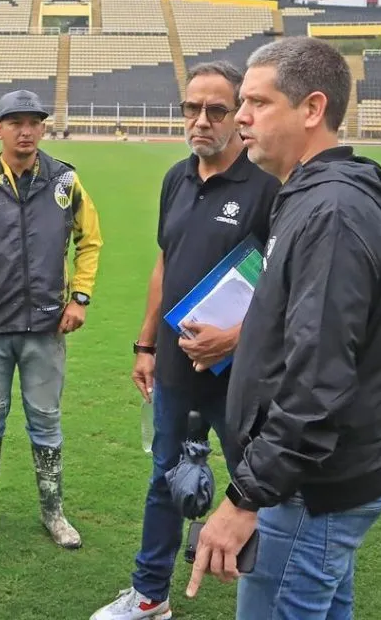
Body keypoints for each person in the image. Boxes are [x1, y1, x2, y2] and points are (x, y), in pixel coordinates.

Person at [185, 37, 381, 619]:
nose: (241, 116)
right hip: (314, 479)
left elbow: (317, 380)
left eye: (258, 102)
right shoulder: (309, 196)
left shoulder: (332, 212)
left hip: (308, 489)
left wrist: (246, 497)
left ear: (313, 108)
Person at [91, 62, 280, 620]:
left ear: (238, 115)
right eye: (192, 108)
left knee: (259, 484)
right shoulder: (176, 178)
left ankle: (268, 596)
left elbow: (288, 286)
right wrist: (146, 345)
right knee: (165, 479)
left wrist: (236, 340)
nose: (201, 120)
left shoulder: (267, 187)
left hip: (240, 376)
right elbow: (165, 262)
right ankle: (150, 596)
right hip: (176, 367)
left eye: (216, 110)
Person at [0, 89, 103, 549]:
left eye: (34, 122)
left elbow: (90, 241)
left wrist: (80, 298)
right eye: (15, 122)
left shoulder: (65, 181)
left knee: (46, 422)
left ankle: (54, 513)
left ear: (43, 128)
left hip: (46, 330)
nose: (26, 131)